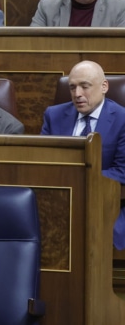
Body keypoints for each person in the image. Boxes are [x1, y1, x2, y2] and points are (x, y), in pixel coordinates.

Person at [40, 60, 125, 248]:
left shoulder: (122, 119)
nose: (77, 94)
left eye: (84, 87)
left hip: (106, 203)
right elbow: (42, 164)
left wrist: (77, 181)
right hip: (58, 202)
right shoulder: (53, 116)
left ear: (104, 87)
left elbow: (122, 171)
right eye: (72, 88)